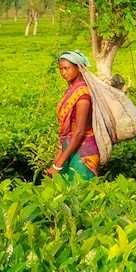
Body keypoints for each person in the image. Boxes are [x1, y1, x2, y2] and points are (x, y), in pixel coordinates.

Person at [47, 51, 100, 181]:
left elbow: (79, 132)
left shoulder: (83, 95)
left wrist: (59, 164)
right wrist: (58, 158)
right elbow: (67, 131)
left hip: (84, 152)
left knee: (81, 194)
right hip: (69, 148)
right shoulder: (70, 91)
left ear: (78, 68)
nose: (63, 72)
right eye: (61, 69)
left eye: (67, 68)